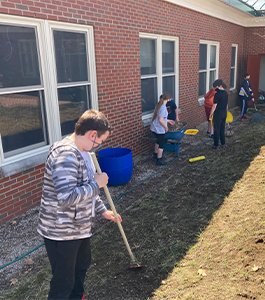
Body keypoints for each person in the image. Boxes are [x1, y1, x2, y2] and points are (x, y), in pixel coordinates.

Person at [37, 109, 122, 300]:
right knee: (63, 281)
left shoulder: (81, 152)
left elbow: (84, 190)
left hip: (79, 228)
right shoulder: (66, 155)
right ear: (92, 134)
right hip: (61, 232)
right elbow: (66, 197)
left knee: (81, 267)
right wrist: (96, 184)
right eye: (99, 141)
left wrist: (102, 211)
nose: (97, 146)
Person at [150, 92, 171, 165]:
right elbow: (161, 120)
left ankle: (155, 155)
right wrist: (166, 127)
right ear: (168, 99)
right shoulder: (163, 108)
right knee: (161, 144)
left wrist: (168, 120)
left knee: (158, 141)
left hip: (154, 128)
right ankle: (159, 160)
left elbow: (160, 117)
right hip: (159, 129)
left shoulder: (158, 105)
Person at [209, 79, 228, 150]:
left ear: (220, 86)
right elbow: (226, 105)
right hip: (224, 113)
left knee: (216, 129)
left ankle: (216, 145)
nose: (214, 89)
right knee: (222, 128)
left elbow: (214, 106)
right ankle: (223, 143)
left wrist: (211, 114)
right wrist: (226, 111)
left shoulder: (217, 95)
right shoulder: (225, 93)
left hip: (218, 113)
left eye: (215, 87)